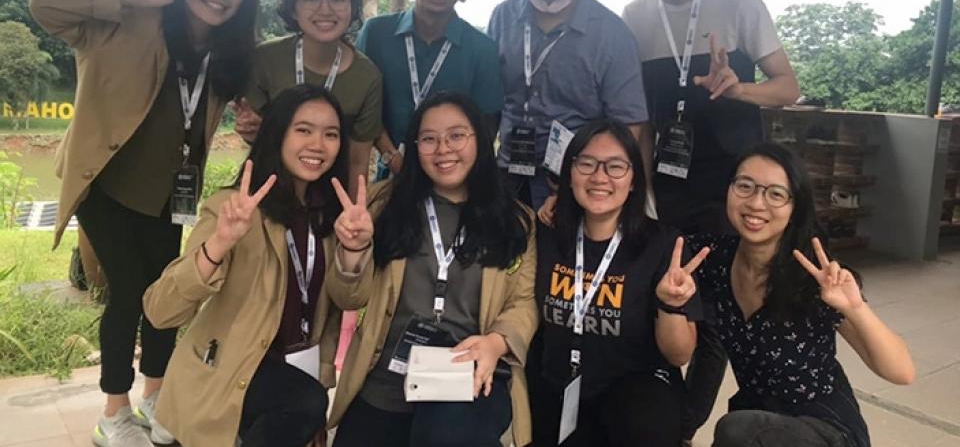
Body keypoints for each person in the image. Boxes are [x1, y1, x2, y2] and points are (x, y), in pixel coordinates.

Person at [29, 0, 259, 447]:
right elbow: (42, 3)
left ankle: (155, 396)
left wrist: (252, 123)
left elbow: (245, 109)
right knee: (132, 293)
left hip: (169, 199)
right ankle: (113, 413)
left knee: (168, 296)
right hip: (105, 187)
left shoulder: (226, 53)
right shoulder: (128, 18)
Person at [621, 0, 801, 441]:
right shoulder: (635, 16)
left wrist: (739, 87)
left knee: (718, 311)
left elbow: (788, 87)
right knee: (671, 300)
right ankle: (661, 409)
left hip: (732, 191)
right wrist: (644, 189)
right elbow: (642, 119)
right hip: (669, 189)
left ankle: (682, 423)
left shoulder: (737, 1)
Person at [325, 92, 537, 447]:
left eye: (457, 135)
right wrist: (353, 248)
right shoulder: (382, 205)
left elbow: (524, 302)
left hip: (469, 379)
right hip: (388, 379)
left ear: (480, 141)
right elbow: (348, 297)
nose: (443, 149)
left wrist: (496, 342)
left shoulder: (515, 221)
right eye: (429, 139)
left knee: (448, 435)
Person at [143, 84, 348, 446]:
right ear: (278, 134)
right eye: (303, 130)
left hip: (293, 379)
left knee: (305, 402)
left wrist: (358, 248)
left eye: (330, 134)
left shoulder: (331, 219)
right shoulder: (236, 208)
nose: (318, 144)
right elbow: (161, 311)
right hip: (228, 371)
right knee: (304, 402)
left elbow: (347, 300)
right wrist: (219, 243)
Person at [692, 143, 915, 447]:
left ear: (796, 206)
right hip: (757, 423)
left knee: (737, 429)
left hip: (825, 430)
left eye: (776, 194)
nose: (757, 203)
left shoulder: (813, 280)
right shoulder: (713, 259)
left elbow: (901, 371)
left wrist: (855, 308)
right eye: (745, 186)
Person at [531, 119, 709, 446]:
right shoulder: (545, 234)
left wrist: (671, 303)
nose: (600, 177)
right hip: (560, 385)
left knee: (640, 422)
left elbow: (679, 355)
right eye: (586, 163)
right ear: (569, 174)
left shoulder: (663, 245)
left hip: (637, 392)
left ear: (632, 180)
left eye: (615, 166)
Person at [489, 0, 651, 210]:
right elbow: (489, 101)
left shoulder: (612, 34)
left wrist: (593, 182)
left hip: (573, 185)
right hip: (504, 177)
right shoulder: (502, 18)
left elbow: (628, 125)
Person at [358, 0, 503, 178]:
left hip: (453, 178)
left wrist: (453, 168)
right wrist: (392, 157)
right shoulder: (376, 34)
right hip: (390, 174)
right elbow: (363, 106)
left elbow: (487, 124)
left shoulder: (482, 49)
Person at [237, 0, 383, 197]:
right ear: (293, 8)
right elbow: (255, 133)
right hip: (264, 194)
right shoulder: (265, 59)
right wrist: (252, 131)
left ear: (352, 7)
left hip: (326, 204)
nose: (324, 10)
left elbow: (358, 160)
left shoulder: (367, 77)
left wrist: (351, 213)